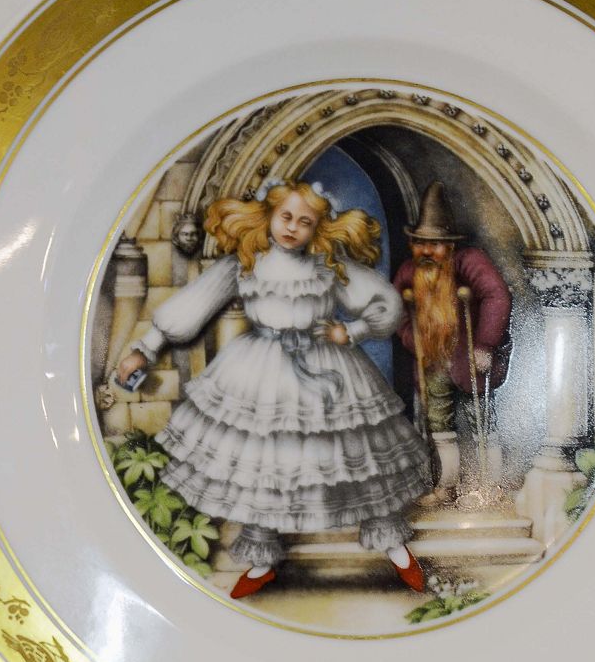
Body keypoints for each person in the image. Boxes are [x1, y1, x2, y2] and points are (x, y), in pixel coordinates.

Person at [116, 179, 432, 599]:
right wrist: (146, 348)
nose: (292, 228)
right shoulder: (247, 262)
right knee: (262, 462)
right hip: (259, 368)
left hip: (326, 366)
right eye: (286, 217)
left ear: (317, 227)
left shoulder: (327, 263)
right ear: (268, 216)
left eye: (305, 221)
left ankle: (395, 547)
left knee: (356, 459)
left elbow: (386, 304)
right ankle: (262, 559)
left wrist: (352, 331)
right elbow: (193, 306)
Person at [392, 182, 512, 498]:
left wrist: (485, 344)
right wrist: (413, 341)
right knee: (439, 424)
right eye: (420, 243)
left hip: (470, 358)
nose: (427, 251)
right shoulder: (409, 272)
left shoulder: (469, 262)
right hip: (432, 360)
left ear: (450, 245)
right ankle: (446, 485)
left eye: (435, 244)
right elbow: (395, 311)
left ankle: (490, 485)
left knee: (481, 421)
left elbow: (496, 296)